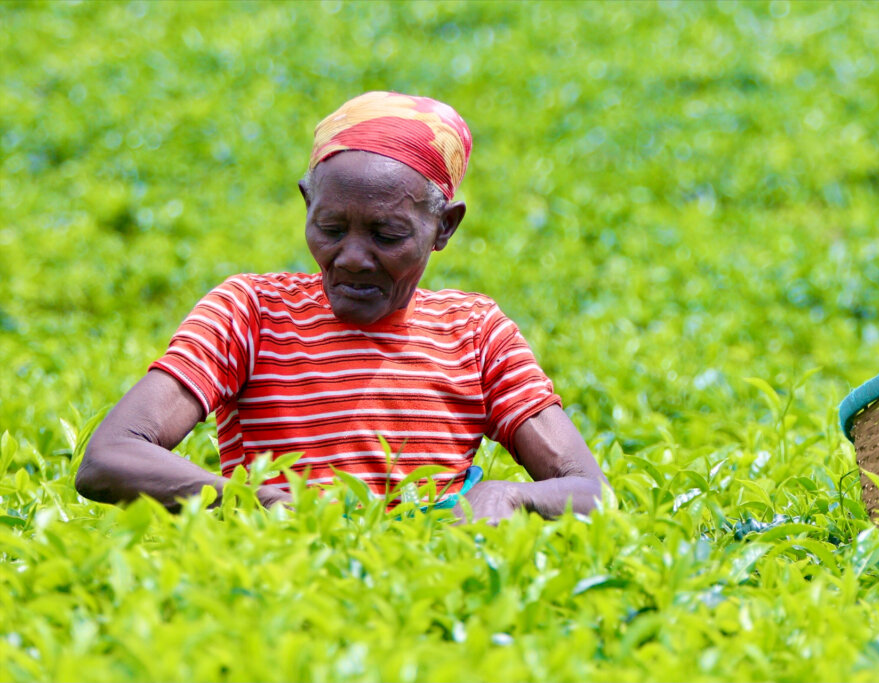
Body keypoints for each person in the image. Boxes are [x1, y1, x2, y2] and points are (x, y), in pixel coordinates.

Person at [76, 91, 607, 523]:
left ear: (444, 227)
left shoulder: (475, 332)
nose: (352, 258)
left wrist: (509, 497)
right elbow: (110, 457)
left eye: (387, 233)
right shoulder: (250, 312)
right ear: (308, 204)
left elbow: (590, 490)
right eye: (330, 229)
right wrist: (256, 503)